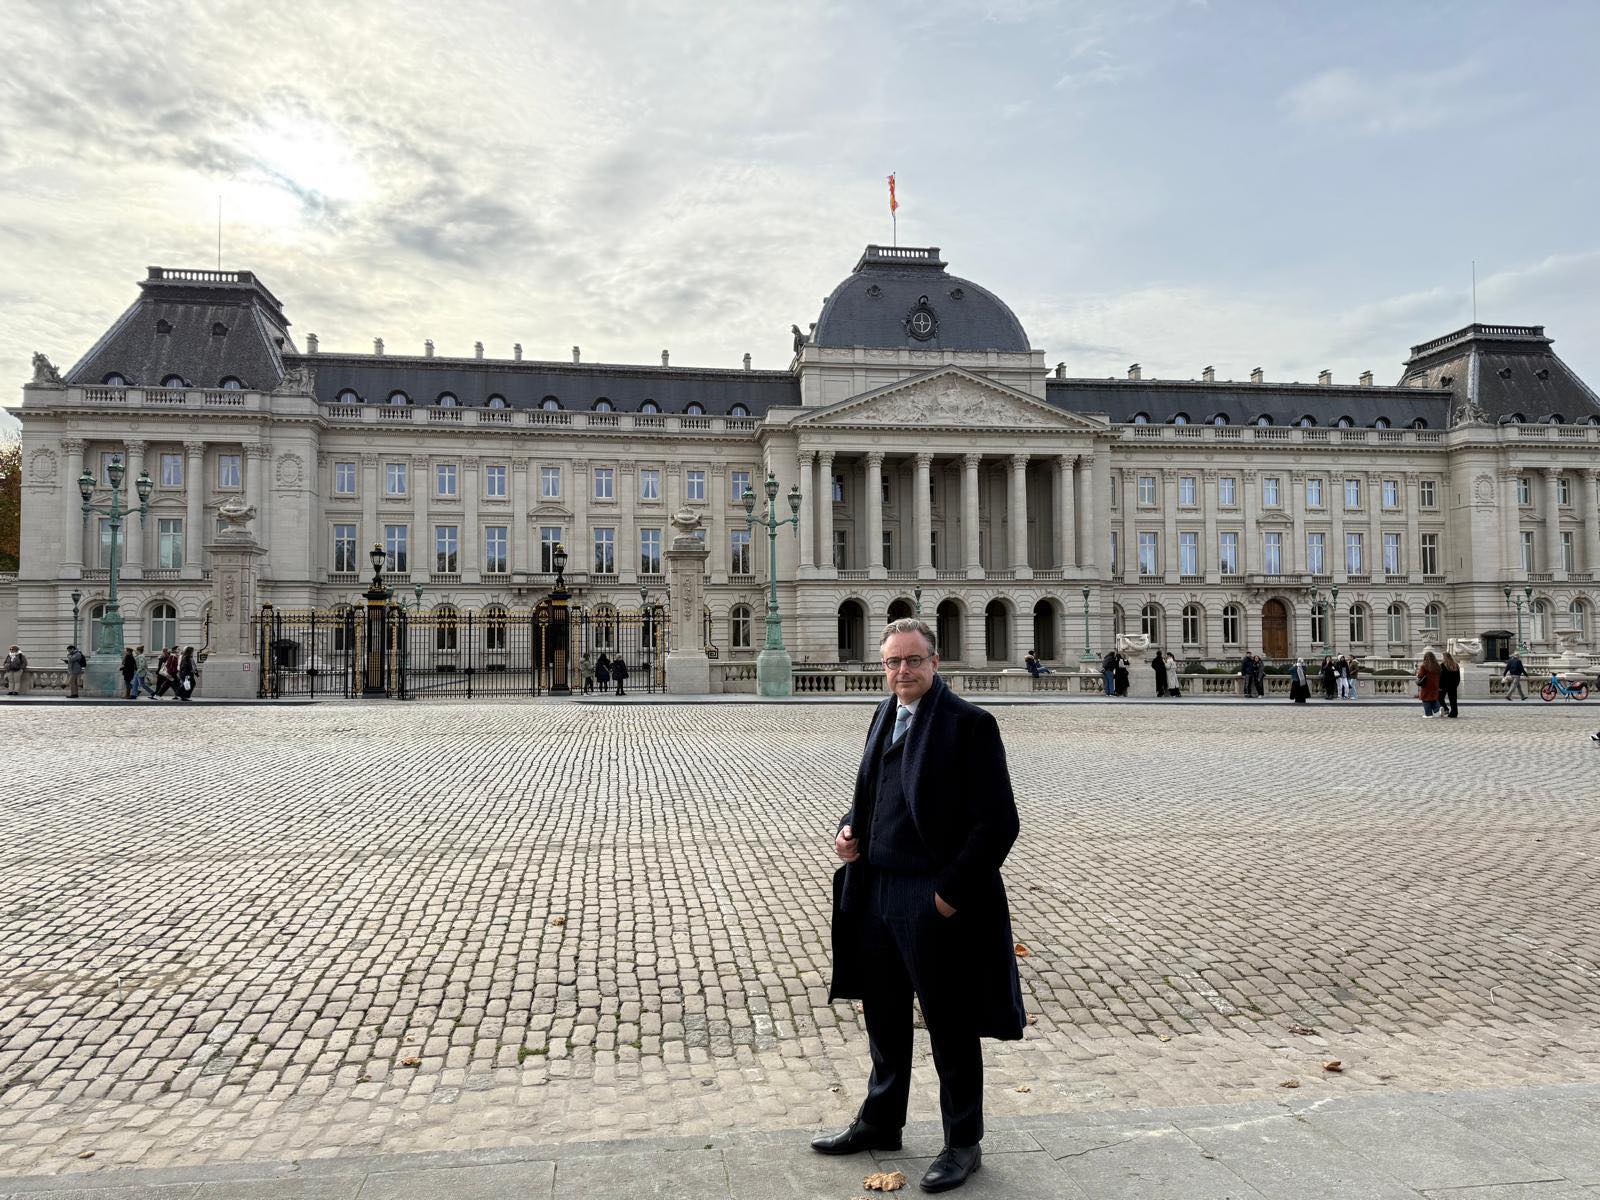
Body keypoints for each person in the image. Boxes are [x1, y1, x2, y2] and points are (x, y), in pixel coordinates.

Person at [815, 617, 1023, 1193]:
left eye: (912, 661)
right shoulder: (884, 712)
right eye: (892, 663)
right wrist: (848, 831)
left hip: (931, 896)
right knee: (883, 1016)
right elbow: (870, 794)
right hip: (877, 886)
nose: (901, 671)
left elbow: (999, 822)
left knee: (949, 1023)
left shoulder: (969, 724)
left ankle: (963, 1142)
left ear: (935, 663)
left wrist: (949, 895)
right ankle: (882, 1118)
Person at [1417, 650, 1443, 718]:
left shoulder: (1424, 666)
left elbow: (1420, 675)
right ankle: (1438, 708)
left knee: (1425, 699)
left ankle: (1428, 714)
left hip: (1426, 685)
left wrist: (1418, 674)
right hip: (1435, 684)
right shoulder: (1437, 666)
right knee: (1433, 698)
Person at [1439, 652, 1461, 718]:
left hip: (1444, 685)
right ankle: (1454, 713)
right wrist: (1456, 684)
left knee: (1439, 698)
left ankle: (1446, 709)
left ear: (1444, 658)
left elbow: (1441, 677)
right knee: (1453, 700)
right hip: (1453, 685)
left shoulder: (1442, 665)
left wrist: (1439, 686)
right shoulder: (1456, 665)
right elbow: (1458, 677)